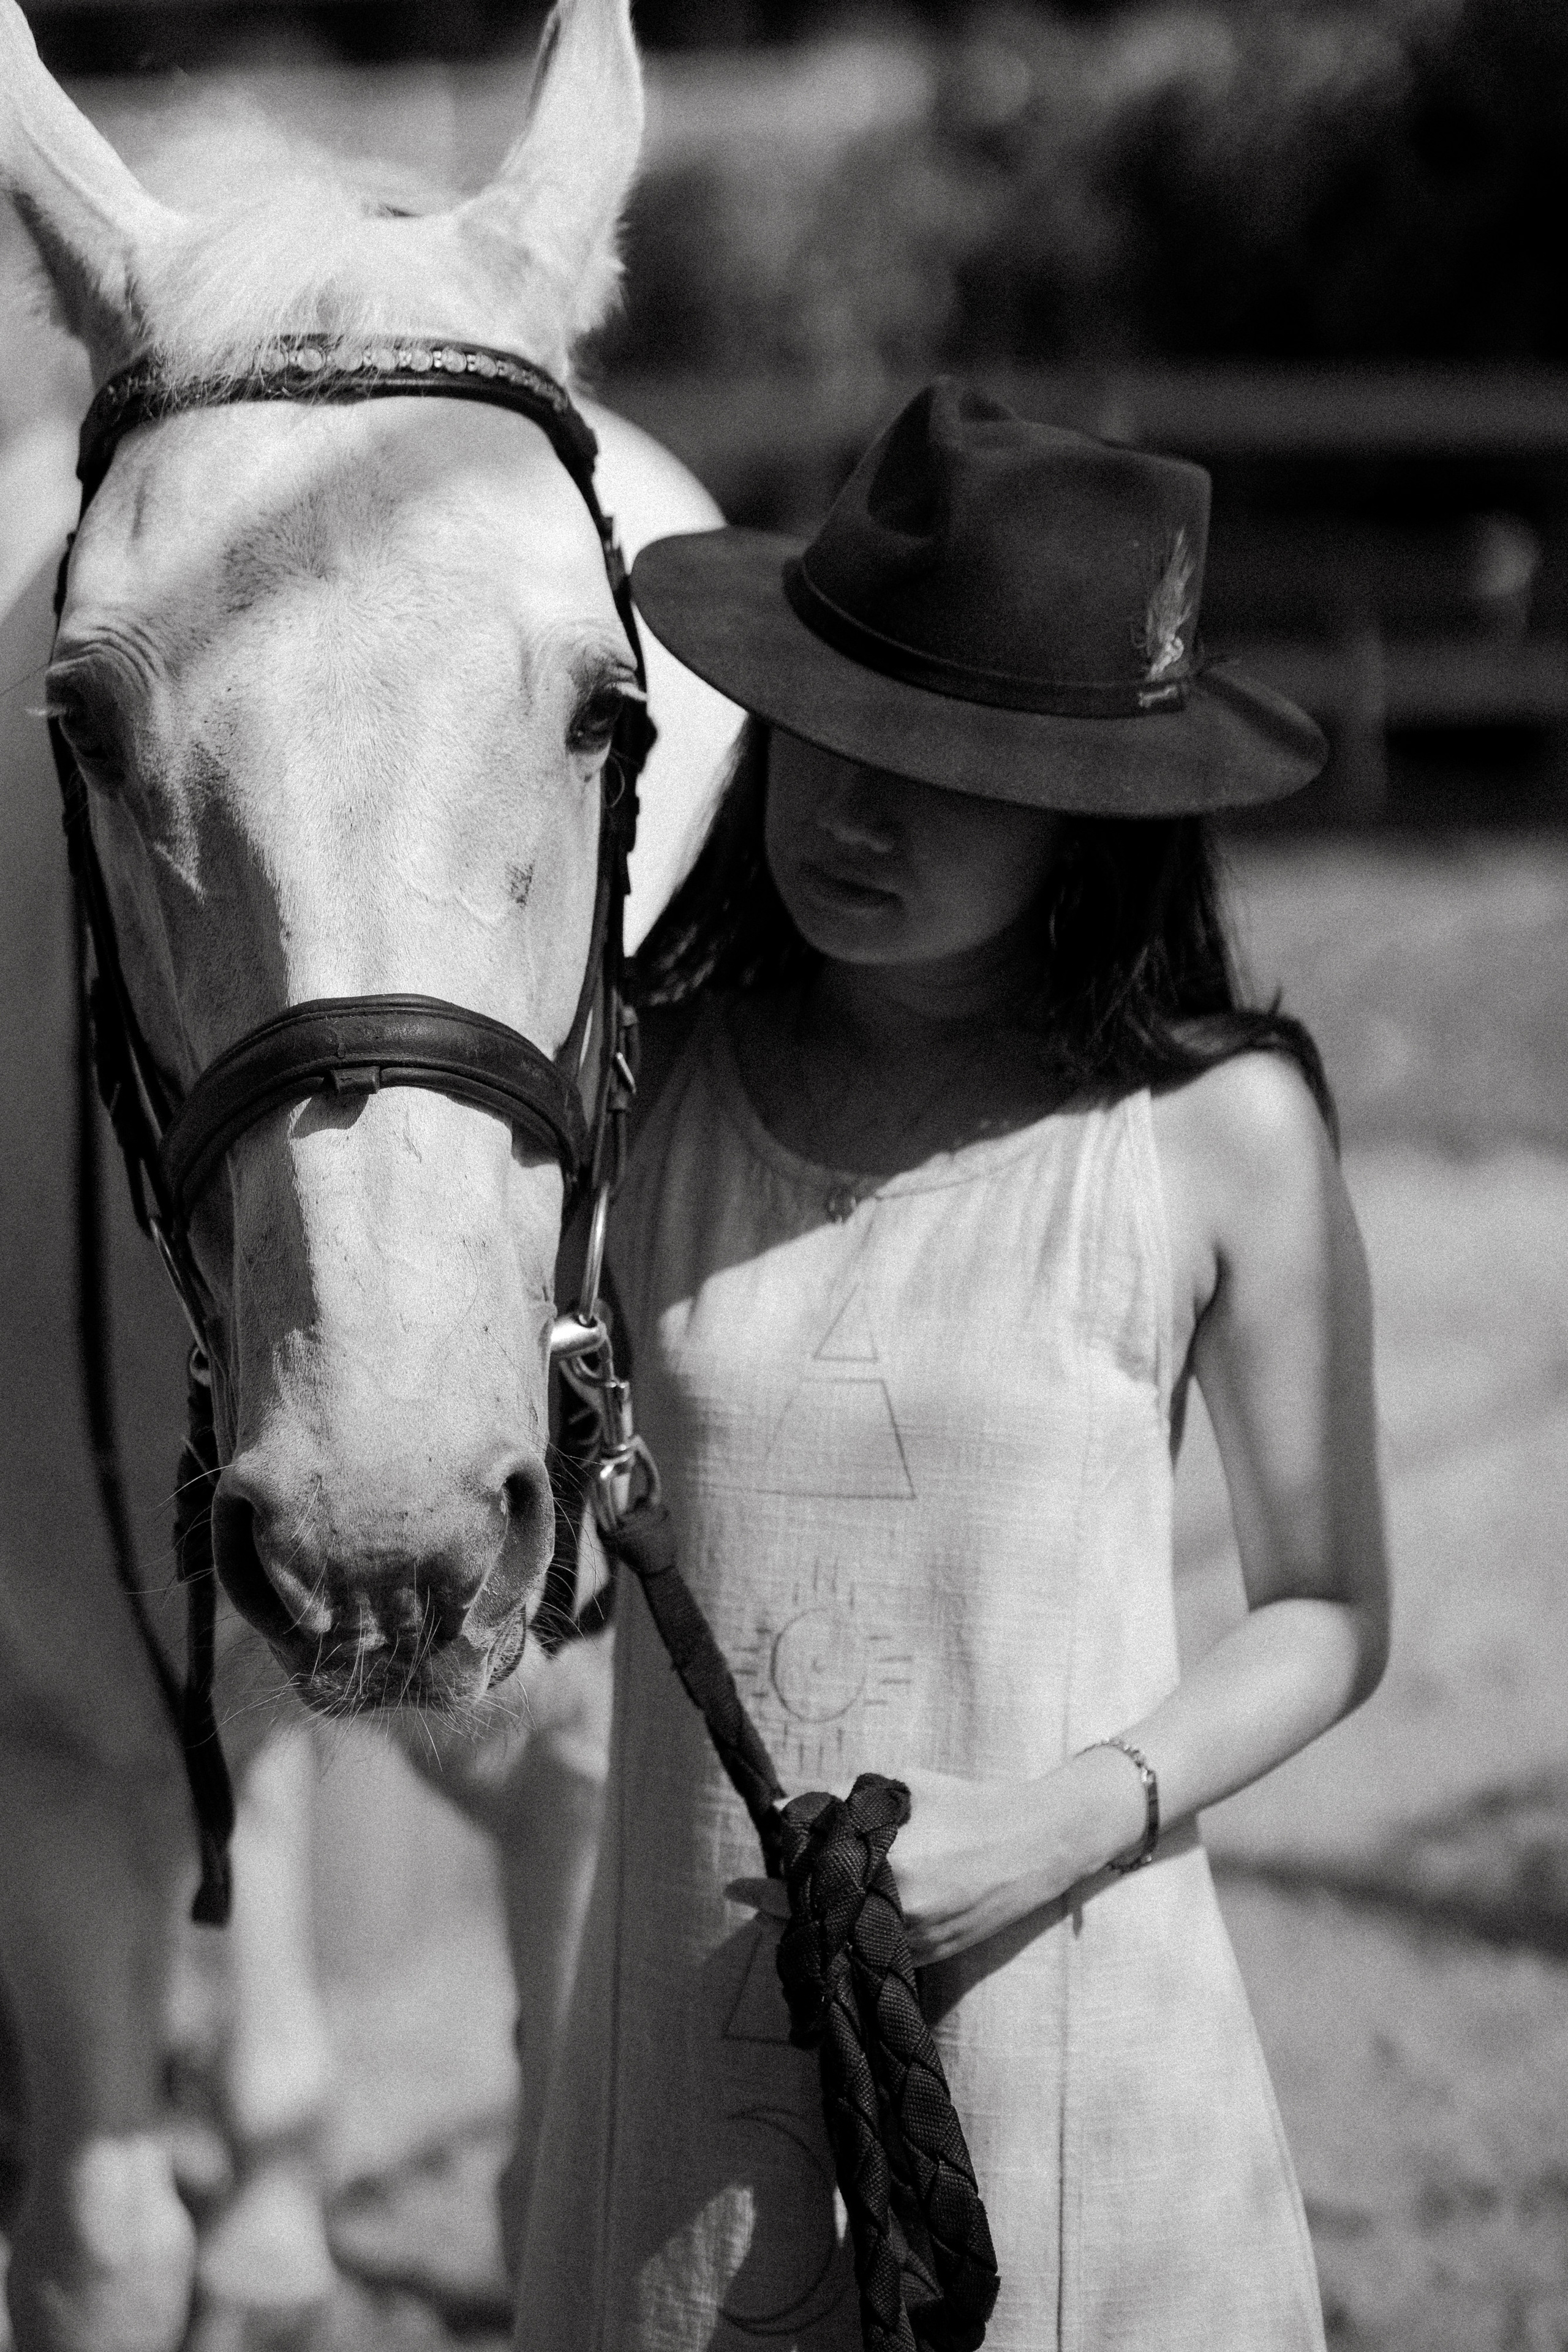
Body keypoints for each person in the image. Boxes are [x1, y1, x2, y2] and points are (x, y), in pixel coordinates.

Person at [516, 383, 1389, 2352]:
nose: (851, 812)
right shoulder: (641, 1094)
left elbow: (1331, 1610)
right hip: (678, 2090)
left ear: (1100, 817)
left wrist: (1067, 1820)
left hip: (1079, 2058)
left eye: (945, 765)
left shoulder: (1217, 1130)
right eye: (823, 736)